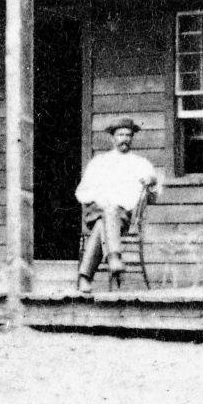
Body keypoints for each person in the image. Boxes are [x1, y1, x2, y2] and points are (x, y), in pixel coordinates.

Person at [75, 117, 160, 290]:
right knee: (107, 210)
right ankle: (113, 257)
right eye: (121, 135)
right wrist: (100, 199)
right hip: (96, 211)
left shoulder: (141, 164)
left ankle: (85, 277)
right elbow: (81, 192)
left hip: (123, 218)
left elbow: (153, 198)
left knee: (105, 220)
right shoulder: (100, 162)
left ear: (132, 138)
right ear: (112, 138)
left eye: (128, 135)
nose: (125, 139)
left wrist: (152, 182)